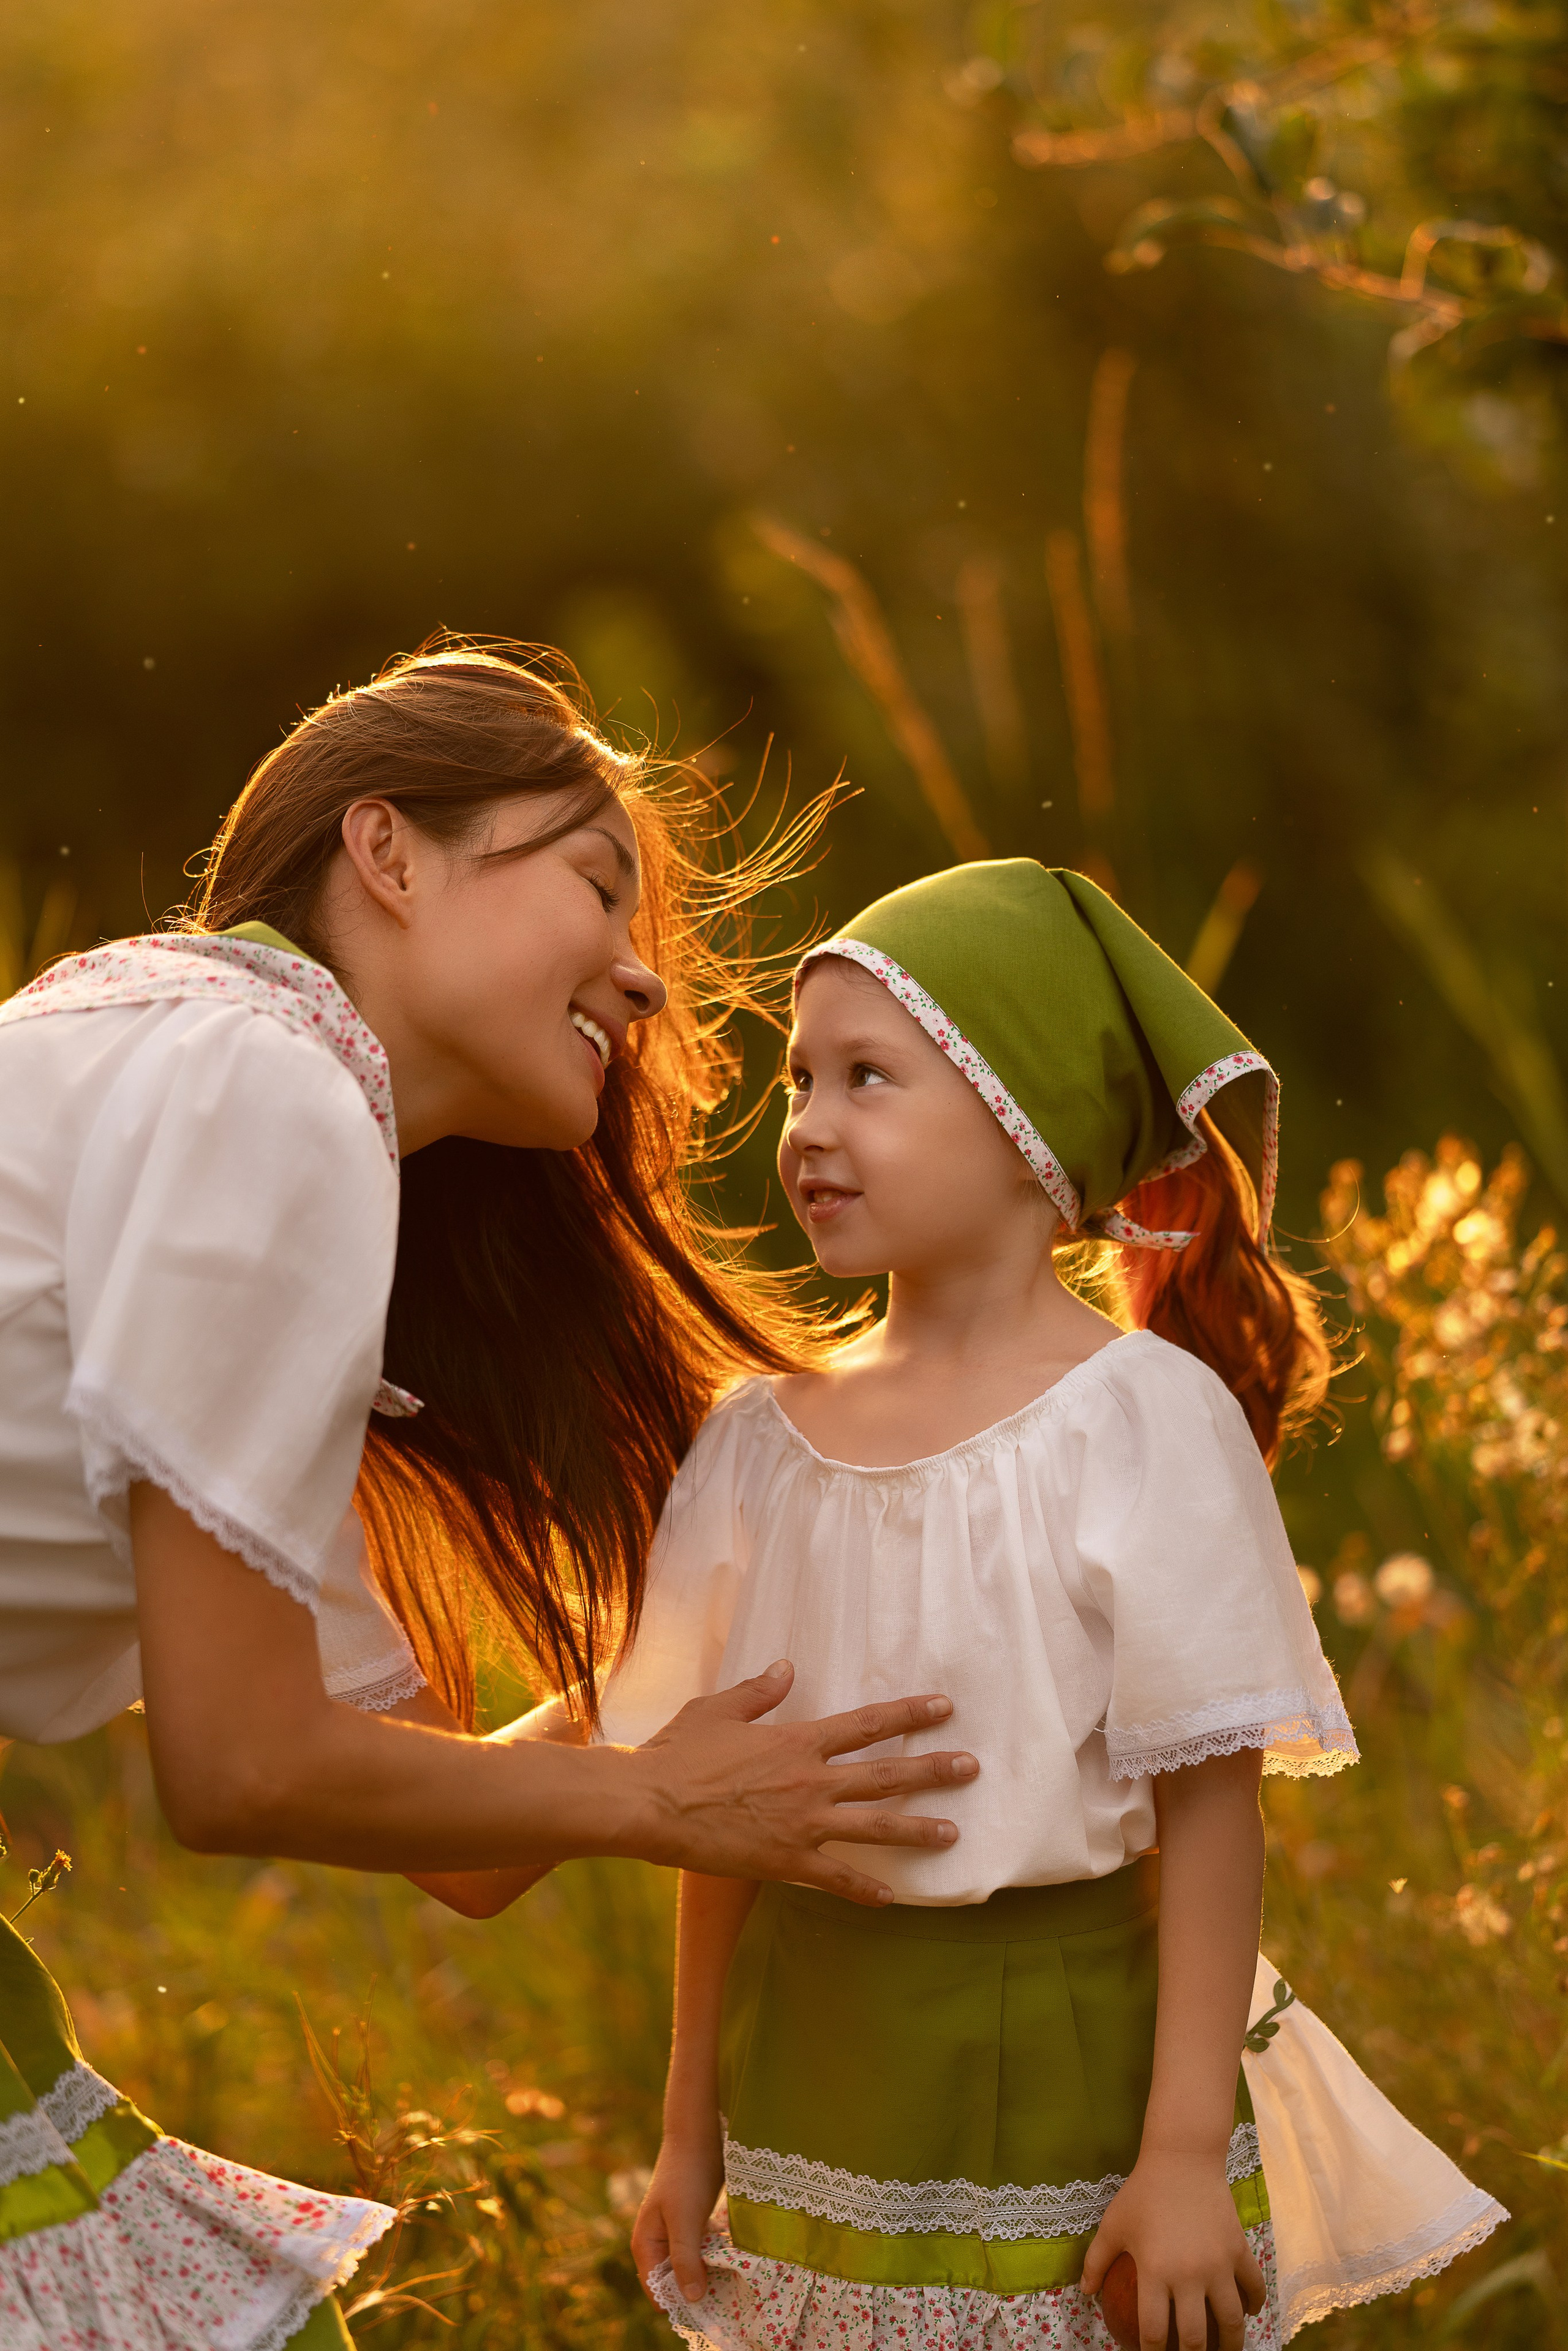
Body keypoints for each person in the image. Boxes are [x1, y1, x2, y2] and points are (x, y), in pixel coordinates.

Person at [0, 644, 978, 2350]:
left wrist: (746, 1587)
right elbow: (239, 1764)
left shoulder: (176, 1041)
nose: (645, 977)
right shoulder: (264, 1086)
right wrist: (662, 1799)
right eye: (598, 883)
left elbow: (443, 1838)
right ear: (386, 851)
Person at [605, 861, 1509, 2351]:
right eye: (798, 1079)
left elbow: (1210, 1810)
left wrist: (1178, 2154)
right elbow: (722, 1817)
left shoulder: (1139, 1416)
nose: (809, 1123)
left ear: (1027, 1126)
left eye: (867, 1076)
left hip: (1076, 2077)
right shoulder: (753, 1438)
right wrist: (686, 2118)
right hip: (808, 2070)